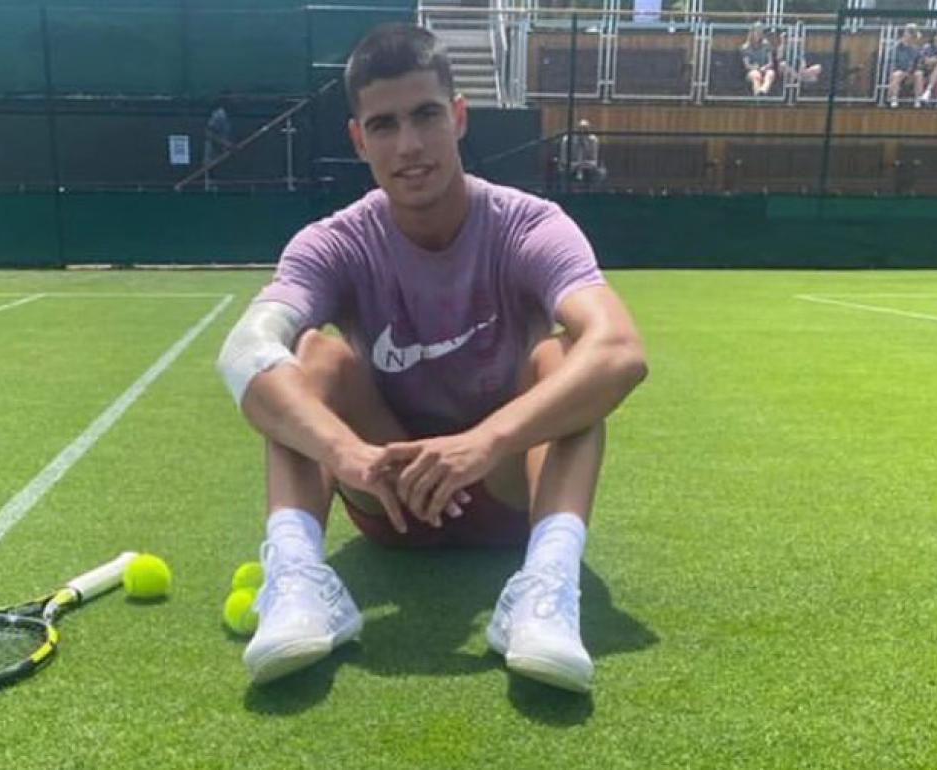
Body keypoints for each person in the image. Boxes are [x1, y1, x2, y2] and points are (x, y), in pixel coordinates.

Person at [216, 23, 647, 692]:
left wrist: (482, 442)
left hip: (507, 493)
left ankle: (546, 591)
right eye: (384, 125)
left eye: (425, 116)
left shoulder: (529, 224)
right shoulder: (335, 242)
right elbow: (245, 349)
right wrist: (345, 454)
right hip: (388, 492)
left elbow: (621, 349)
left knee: (568, 359)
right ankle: (298, 583)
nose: (410, 145)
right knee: (309, 360)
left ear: (459, 117)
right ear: (360, 140)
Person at [558, 118, 607, 190]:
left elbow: (594, 160)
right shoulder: (567, 140)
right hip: (570, 165)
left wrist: (583, 165)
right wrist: (576, 165)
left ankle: (593, 194)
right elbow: (563, 160)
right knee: (563, 172)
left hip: (587, 166)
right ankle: (564, 193)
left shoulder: (593, 140)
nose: (582, 132)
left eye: (585, 130)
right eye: (580, 129)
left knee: (601, 173)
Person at [887, 24, 926, 108]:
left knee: (919, 74)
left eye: (913, 34)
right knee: (897, 74)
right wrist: (902, 71)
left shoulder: (915, 49)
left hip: (911, 73)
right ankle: (894, 99)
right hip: (899, 72)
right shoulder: (895, 48)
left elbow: (919, 63)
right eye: (911, 33)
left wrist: (913, 70)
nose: (912, 36)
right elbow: (891, 63)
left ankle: (917, 100)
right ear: (905, 33)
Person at [204, 105, 235, 191]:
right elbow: (208, 133)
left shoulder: (232, 115)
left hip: (224, 157)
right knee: (212, 182)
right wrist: (225, 143)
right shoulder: (218, 115)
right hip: (213, 157)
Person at [740, 22, 776, 96]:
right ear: (752, 32)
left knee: (771, 73)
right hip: (751, 72)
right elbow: (747, 65)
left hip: (764, 70)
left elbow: (770, 62)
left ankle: (763, 91)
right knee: (756, 75)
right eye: (757, 31)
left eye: (761, 31)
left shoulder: (767, 45)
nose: (759, 33)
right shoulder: (745, 47)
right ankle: (757, 97)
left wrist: (765, 67)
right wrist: (754, 67)